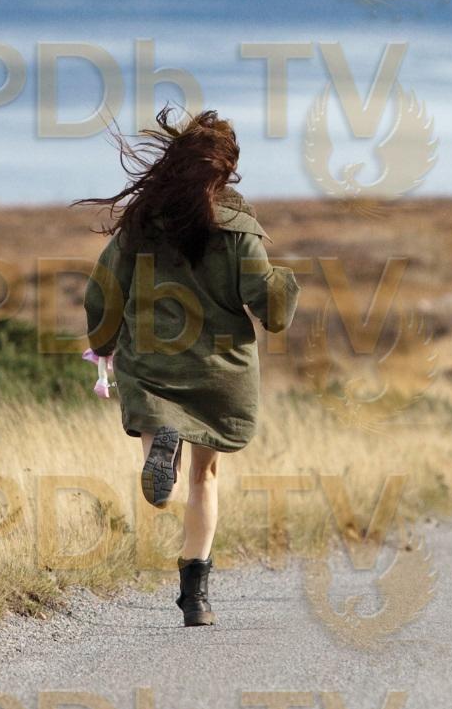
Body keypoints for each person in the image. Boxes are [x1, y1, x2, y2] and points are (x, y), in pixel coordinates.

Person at [78, 108, 298, 627]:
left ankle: (162, 450)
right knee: (207, 476)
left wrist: (104, 345)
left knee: (160, 441)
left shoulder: (140, 225)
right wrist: (285, 283)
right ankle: (195, 598)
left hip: (153, 359)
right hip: (220, 369)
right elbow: (267, 305)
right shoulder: (239, 229)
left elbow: (103, 291)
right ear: (227, 170)